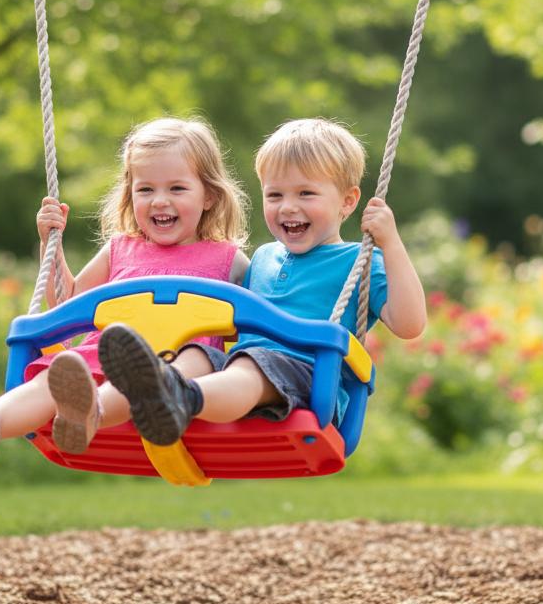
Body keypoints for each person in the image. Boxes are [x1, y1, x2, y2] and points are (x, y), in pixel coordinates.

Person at [0, 117, 250, 465]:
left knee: (136, 381)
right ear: (130, 195)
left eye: (176, 189)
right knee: (53, 379)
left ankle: (89, 411)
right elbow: (68, 303)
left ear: (209, 196)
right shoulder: (119, 249)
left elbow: (261, 323)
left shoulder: (229, 260)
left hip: (173, 371)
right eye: (146, 189)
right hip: (104, 354)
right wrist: (50, 244)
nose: (159, 201)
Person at [96, 118, 427, 445]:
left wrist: (391, 243)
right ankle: (150, 392)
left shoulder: (359, 261)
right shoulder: (264, 258)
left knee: (251, 367)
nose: (288, 207)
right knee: (197, 353)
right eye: (275, 195)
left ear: (348, 201)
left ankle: (181, 398)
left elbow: (409, 324)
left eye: (306, 193)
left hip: (308, 377)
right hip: (246, 367)